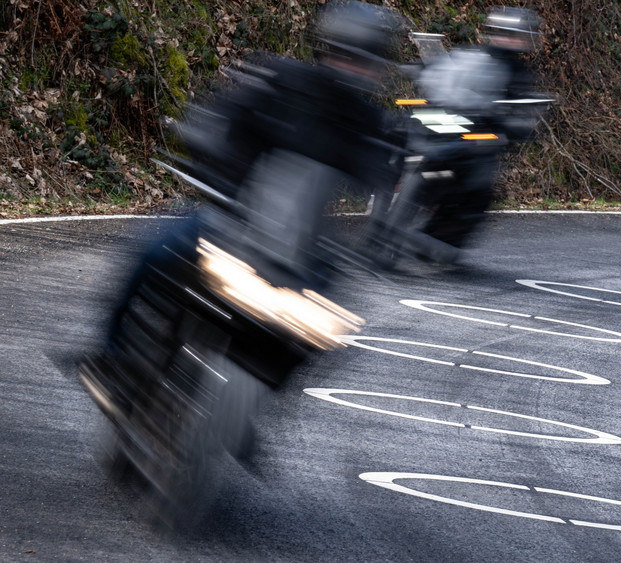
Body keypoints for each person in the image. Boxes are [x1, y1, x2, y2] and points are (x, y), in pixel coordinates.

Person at [79, 0, 402, 529]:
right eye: (346, 56)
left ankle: (256, 406)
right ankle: (112, 361)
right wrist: (206, 150)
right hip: (232, 221)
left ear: (378, 66)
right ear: (325, 51)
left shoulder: (368, 122)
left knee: (331, 326)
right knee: (150, 246)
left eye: (365, 60)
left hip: (301, 256)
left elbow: (383, 185)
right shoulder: (277, 79)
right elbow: (220, 119)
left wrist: (382, 232)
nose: (354, 69)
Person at [371, 6, 549, 266]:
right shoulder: (471, 55)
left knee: (480, 189)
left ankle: (439, 239)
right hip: (450, 122)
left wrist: (516, 124)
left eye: (512, 34)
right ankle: (383, 210)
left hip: (480, 138)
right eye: (501, 32)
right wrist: (423, 68)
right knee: (396, 135)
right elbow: (444, 68)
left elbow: (525, 112)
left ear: (523, 38)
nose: (506, 38)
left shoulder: (520, 73)